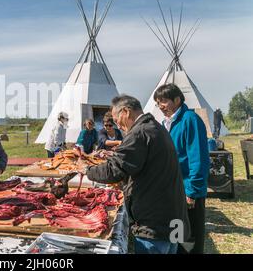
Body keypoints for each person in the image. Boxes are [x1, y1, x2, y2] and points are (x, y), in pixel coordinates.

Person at [85, 95, 190, 254]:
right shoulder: (155, 127)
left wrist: (86, 170)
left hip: (155, 222)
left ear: (126, 112)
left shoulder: (139, 133)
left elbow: (114, 170)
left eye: (116, 119)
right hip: (171, 215)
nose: (117, 125)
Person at [154, 83, 210, 254]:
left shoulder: (190, 120)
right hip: (173, 191)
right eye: (158, 103)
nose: (160, 106)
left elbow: (198, 158)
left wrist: (192, 191)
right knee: (176, 235)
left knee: (189, 239)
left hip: (187, 191)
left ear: (177, 99)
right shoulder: (167, 123)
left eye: (163, 101)